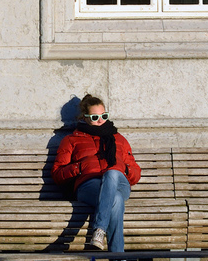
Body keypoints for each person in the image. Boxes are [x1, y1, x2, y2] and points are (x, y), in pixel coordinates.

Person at [51, 95, 141, 252]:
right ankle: (118, 259)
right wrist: (79, 168)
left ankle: (99, 230)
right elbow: (57, 173)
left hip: (119, 182)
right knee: (116, 200)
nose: (100, 121)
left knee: (112, 173)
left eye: (104, 116)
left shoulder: (119, 139)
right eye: (95, 117)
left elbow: (135, 172)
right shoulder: (72, 140)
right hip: (88, 185)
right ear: (84, 118)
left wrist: (125, 170)